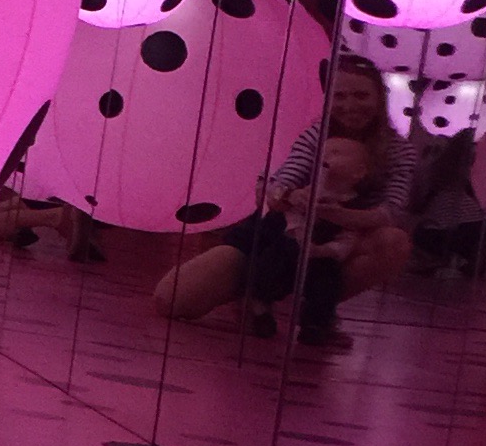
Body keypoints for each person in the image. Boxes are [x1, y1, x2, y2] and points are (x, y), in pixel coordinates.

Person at [152, 54, 415, 346]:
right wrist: (288, 195)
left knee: (394, 242)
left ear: (380, 97)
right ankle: (253, 293)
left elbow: (390, 212)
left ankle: (316, 308)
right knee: (172, 300)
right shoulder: (315, 135)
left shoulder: (399, 151)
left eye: (361, 95)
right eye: (339, 96)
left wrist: (333, 215)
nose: (350, 105)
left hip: (337, 244)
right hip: (279, 234)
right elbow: (281, 185)